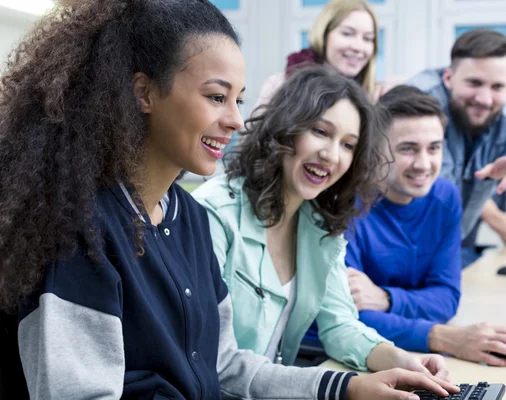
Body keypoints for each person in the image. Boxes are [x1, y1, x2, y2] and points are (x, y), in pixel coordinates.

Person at [0, 1, 458, 399]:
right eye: (217, 97)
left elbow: (224, 366)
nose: (237, 121)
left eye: (238, 99)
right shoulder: (84, 230)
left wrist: (348, 388)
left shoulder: (190, 220)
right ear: (143, 93)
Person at [192, 67, 454, 384]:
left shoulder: (317, 222)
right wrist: (344, 388)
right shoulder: (213, 213)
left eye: (348, 145)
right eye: (320, 132)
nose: (332, 155)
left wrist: (403, 361)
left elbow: (339, 325)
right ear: (286, 128)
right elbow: (217, 361)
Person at [344, 85, 506, 367]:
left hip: (411, 356)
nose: (424, 164)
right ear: (374, 149)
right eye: (407, 149)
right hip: (352, 359)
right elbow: (347, 316)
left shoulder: (445, 197)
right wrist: (444, 338)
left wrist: (386, 299)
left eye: (434, 148)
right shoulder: (345, 204)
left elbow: (446, 298)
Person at [406, 28, 506, 268]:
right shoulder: (417, 103)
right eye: (474, 83)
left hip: (449, 252)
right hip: (397, 249)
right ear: (448, 77)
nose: (484, 99)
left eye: (497, 87)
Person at [256, 0, 395, 107]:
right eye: (347, 33)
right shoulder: (280, 85)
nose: (358, 46)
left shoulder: (373, 97)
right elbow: (253, 142)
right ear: (324, 35)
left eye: (367, 38)